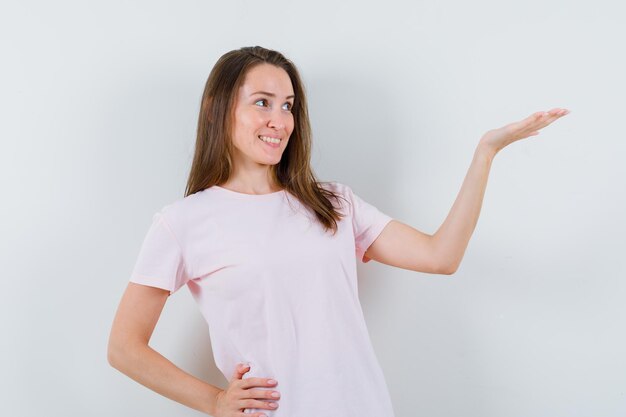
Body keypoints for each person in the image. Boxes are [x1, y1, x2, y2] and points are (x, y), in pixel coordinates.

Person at [107, 45, 569, 417]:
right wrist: (213, 401)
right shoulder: (184, 222)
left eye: (288, 106)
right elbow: (125, 347)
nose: (279, 120)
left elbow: (440, 256)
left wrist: (485, 154)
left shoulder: (332, 203)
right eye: (262, 103)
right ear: (217, 110)